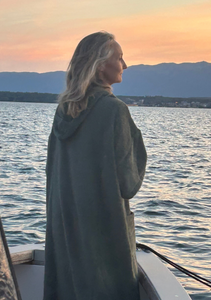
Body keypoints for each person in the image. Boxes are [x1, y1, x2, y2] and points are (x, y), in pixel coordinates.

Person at [43, 31, 147, 300]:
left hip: (65, 234)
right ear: (101, 65)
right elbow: (129, 183)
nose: (124, 65)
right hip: (104, 238)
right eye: (120, 58)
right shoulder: (115, 110)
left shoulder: (62, 111)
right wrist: (136, 138)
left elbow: (51, 173)